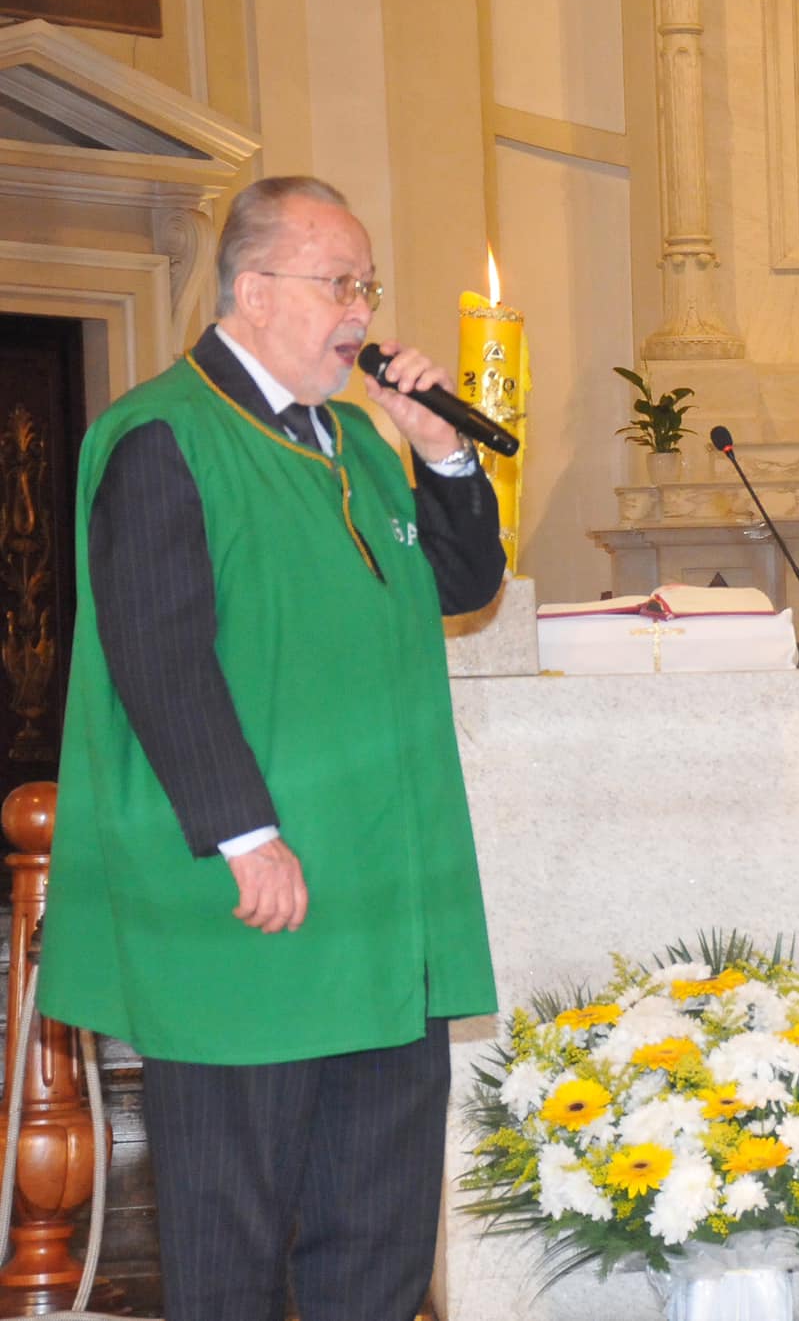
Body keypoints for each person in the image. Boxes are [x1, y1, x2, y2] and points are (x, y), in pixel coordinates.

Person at [40, 175, 505, 1321]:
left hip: (384, 899)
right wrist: (247, 836)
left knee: (377, 1229)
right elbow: (159, 657)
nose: (361, 310)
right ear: (252, 290)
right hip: (261, 900)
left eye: (366, 284)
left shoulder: (355, 434)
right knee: (233, 1229)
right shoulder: (161, 435)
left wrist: (444, 454)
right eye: (338, 283)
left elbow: (464, 580)